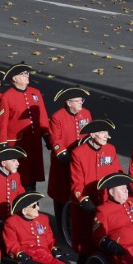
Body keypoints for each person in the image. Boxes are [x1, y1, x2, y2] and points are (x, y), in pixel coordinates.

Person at [68, 119, 122, 255]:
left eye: (106, 132)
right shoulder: (78, 153)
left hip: (106, 201)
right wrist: (85, 202)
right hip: (87, 203)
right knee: (86, 246)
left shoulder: (111, 149)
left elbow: (117, 172)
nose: (106, 136)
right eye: (102, 132)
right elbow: (77, 183)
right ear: (92, 135)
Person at [0, 63, 49, 191]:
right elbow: (2, 122)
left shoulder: (35, 93)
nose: (27, 76)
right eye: (23, 74)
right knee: (20, 176)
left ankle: (33, 203)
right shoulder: (7, 97)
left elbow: (42, 116)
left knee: (33, 175)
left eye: (27, 73)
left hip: (34, 142)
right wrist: (2, 144)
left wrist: (47, 135)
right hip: (18, 143)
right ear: (14, 79)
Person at [47, 87, 92, 222]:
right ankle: (62, 223)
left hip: (81, 159)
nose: (81, 103)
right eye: (78, 101)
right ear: (68, 103)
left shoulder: (86, 113)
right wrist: (63, 154)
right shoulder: (57, 117)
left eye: (82, 100)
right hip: (63, 161)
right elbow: (55, 139)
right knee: (61, 193)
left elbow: (89, 134)